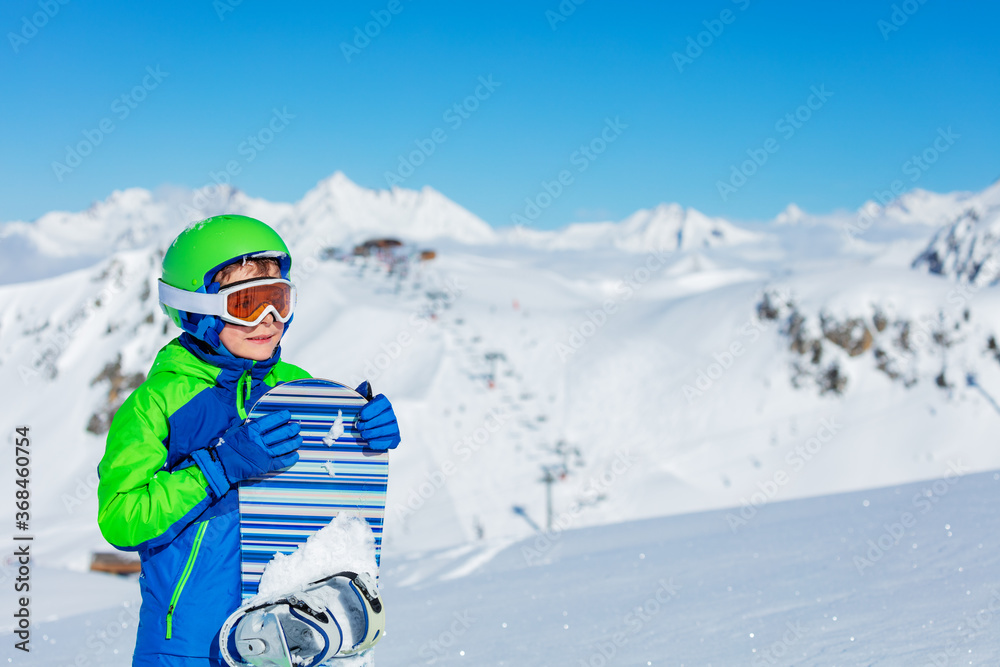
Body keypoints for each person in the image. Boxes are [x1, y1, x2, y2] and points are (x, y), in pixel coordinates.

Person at [96, 214, 401, 666]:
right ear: (197, 310)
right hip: (187, 648)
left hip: (284, 639)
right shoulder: (155, 404)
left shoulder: (297, 389)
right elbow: (122, 519)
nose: (269, 319)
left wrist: (360, 435)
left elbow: (327, 494)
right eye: (248, 304)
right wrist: (216, 468)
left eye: (278, 299)